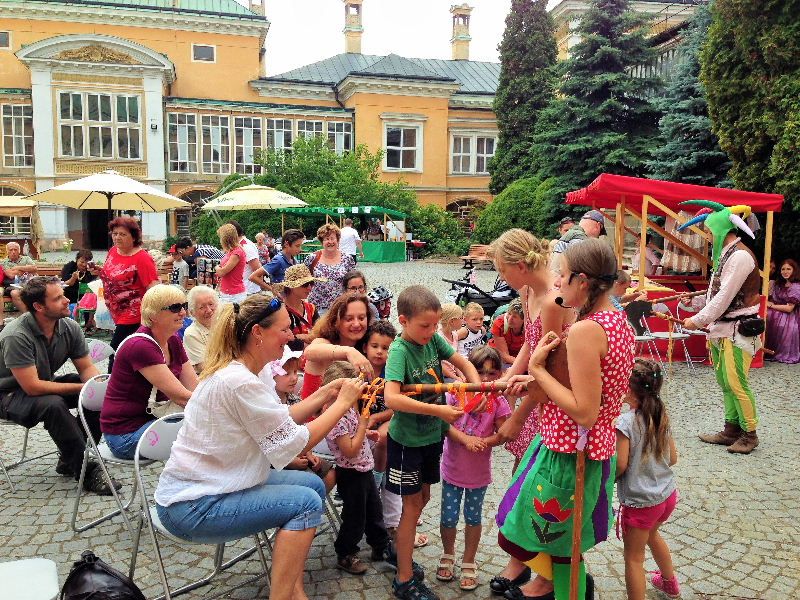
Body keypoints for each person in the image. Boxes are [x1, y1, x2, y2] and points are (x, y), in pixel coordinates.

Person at [154, 292, 367, 600]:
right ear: (257, 333)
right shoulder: (239, 381)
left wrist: (325, 395)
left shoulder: (252, 371)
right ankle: (284, 596)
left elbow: (280, 419)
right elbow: (297, 441)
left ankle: (291, 587)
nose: (291, 335)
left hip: (222, 482)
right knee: (306, 503)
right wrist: (343, 403)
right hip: (193, 504)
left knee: (312, 484)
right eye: (283, 328)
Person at [495, 239, 635, 600]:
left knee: (556, 542)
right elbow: (590, 387)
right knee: (557, 542)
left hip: (570, 450)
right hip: (585, 447)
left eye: (564, 277)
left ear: (583, 281)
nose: (558, 283)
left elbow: (584, 410)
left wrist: (538, 371)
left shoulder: (587, 330)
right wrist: (530, 378)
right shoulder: (616, 318)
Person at [485, 229, 576, 595]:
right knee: (523, 482)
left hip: (549, 405)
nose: (502, 278)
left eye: (502, 270)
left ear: (521, 266)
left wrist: (518, 417)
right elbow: (531, 349)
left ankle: (545, 572)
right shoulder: (527, 291)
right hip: (533, 395)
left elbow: (550, 370)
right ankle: (521, 560)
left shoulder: (554, 300)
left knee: (541, 488)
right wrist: (506, 377)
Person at [383, 285, 481, 600]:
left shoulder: (432, 339)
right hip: (407, 442)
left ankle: (398, 550)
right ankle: (404, 579)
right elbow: (392, 398)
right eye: (424, 326)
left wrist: (475, 384)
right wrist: (437, 408)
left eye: (435, 325)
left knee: (422, 498)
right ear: (403, 320)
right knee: (412, 506)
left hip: (430, 438)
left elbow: (462, 362)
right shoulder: (399, 351)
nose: (431, 331)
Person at [0, 277, 114, 495]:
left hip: (39, 386)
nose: (66, 300)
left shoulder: (68, 327)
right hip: (7, 394)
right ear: (39, 307)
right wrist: (83, 388)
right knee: (53, 405)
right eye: (58, 298)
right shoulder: (17, 335)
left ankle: (69, 458)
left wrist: (96, 386)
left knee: (95, 393)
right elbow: (32, 387)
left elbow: (86, 368)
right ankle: (86, 470)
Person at [680, 203, 761, 454]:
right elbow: (716, 293)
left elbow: (724, 297)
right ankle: (731, 430)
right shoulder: (725, 255)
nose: (706, 236)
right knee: (726, 382)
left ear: (720, 230)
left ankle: (750, 434)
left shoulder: (740, 256)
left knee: (737, 383)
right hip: (723, 328)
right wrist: (693, 302)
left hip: (738, 329)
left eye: (708, 232)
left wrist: (698, 319)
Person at [437, 346, 511, 592]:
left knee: (473, 517)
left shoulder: (498, 401)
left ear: (499, 375)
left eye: (491, 373)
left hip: (478, 474)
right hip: (452, 468)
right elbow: (444, 425)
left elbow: (503, 433)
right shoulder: (455, 394)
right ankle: (448, 553)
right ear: (467, 372)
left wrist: (483, 442)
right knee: (448, 516)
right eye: (480, 371)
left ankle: (469, 559)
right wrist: (465, 439)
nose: (485, 378)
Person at [100, 285, 198, 460]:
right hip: (125, 435)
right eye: (175, 308)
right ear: (153, 315)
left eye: (184, 306)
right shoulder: (141, 346)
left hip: (155, 421)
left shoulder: (173, 340)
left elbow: (194, 387)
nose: (183, 312)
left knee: (204, 431)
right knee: (200, 436)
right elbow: (182, 397)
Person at [616, 359, 680, 600]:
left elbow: (620, 465)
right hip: (666, 495)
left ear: (628, 388)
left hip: (642, 502)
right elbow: (672, 458)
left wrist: (605, 479)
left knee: (633, 558)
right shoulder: (661, 413)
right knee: (653, 535)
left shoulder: (625, 423)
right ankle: (669, 583)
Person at [325, 360, 391, 575]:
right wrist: (364, 424)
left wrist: (366, 433)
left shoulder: (348, 409)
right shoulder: (335, 417)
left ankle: (380, 545)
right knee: (355, 517)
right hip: (350, 474)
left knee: (374, 510)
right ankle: (345, 553)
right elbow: (350, 450)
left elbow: (356, 436)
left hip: (364, 469)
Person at [90, 217, 159, 370]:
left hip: (134, 313)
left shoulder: (142, 258)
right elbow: (113, 275)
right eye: (115, 233)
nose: (117, 237)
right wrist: (99, 272)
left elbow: (154, 287)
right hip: (116, 312)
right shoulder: (113, 251)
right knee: (130, 351)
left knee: (115, 348)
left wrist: (153, 313)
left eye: (123, 234)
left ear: (134, 237)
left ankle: (111, 384)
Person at [268, 347, 335, 492]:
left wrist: (309, 453)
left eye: (295, 372)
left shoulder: (296, 400)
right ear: (271, 376)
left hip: (298, 450)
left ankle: (316, 507)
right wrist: (291, 461)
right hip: (274, 460)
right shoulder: (269, 403)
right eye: (286, 374)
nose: (293, 378)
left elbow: (302, 429)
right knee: (307, 482)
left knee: (330, 474)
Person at [301, 293, 374, 398]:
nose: (357, 324)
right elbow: (309, 351)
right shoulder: (323, 342)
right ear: (335, 321)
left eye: (361, 318)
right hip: (315, 413)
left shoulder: (366, 347)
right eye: (349, 319)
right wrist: (349, 352)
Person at [359, 319, 397, 476]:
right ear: (365, 347)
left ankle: (377, 476)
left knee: (382, 437)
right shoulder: (358, 372)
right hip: (361, 418)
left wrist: (376, 417)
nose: (380, 351)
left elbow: (397, 407)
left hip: (388, 417)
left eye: (385, 348)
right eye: (375, 346)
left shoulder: (393, 374)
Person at [304, 223, 356, 314]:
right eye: (326, 239)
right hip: (317, 307)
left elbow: (353, 281)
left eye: (332, 238)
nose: (330, 242)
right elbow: (303, 280)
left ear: (338, 240)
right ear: (322, 242)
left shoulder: (347, 259)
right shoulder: (312, 258)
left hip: (340, 307)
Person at [273, 264, 323, 350]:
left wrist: (300, 337)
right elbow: (287, 341)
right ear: (291, 286)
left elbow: (321, 333)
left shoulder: (311, 308)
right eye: (305, 284)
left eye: (311, 283)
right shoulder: (279, 312)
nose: (310, 288)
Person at [765, 258, 800, 364]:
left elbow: (789, 308)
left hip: (791, 316)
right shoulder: (778, 285)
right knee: (767, 314)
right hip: (779, 313)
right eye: (783, 269)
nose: (785, 271)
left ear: (794, 270)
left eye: (789, 269)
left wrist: (771, 306)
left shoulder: (796, 287)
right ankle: (767, 350)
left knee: (773, 314)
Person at [183, 285, 219, 374]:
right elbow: (206, 367)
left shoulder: (224, 323)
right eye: (202, 307)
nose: (209, 310)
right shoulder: (191, 334)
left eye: (211, 304)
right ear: (192, 313)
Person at [60, 249, 97, 333]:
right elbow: (65, 283)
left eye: (86, 263)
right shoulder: (70, 267)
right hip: (70, 296)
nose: (84, 265)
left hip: (85, 298)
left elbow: (92, 285)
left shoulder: (90, 270)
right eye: (82, 262)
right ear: (77, 260)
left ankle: (89, 324)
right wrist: (73, 277)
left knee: (91, 303)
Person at [228, 219, 264, 295]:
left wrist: (261, 286)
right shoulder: (241, 245)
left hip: (249, 291)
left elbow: (258, 269)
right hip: (244, 290)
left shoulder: (246, 246)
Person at [2, 241, 39, 313]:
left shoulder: (26, 258)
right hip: (12, 286)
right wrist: (26, 269)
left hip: (29, 284)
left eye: (15, 249)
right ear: (7, 251)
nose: (13, 252)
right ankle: (28, 315)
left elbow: (34, 269)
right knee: (15, 293)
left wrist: (17, 267)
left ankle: (39, 314)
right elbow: (11, 275)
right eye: (11, 250)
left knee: (41, 291)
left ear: (19, 251)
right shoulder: (3, 262)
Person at [216, 223, 248, 304]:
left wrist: (217, 267)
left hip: (234, 295)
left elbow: (222, 272)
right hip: (228, 292)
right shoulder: (232, 251)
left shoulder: (237, 252)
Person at [488, 298, 525, 366]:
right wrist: (526, 366)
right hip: (499, 357)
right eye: (509, 313)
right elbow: (504, 356)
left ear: (524, 319)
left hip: (518, 357)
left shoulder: (531, 326)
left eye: (515, 317)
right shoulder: (499, 323)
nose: (510, 319)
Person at [438, 303, 465, 381]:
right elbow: (440, 366)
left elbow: (456, 361)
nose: (463, 320)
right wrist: (456, 378)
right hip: (443, 375)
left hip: (453, 373)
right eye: (461, 318)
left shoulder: (455, 335)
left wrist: (462, 375)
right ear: (452, 321)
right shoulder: (439, 338)